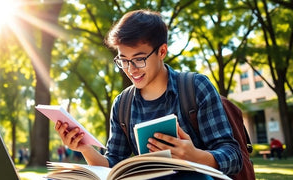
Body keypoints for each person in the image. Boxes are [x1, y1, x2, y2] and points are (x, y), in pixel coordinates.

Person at [54, 9, 242, 177]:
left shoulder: (195, 87)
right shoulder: (122, 105)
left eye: (139, 59)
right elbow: (112, 166)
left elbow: (234, 156)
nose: (131, 69)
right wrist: (85, 148)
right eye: (124, 60)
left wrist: (196, 156)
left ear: (162, 51)